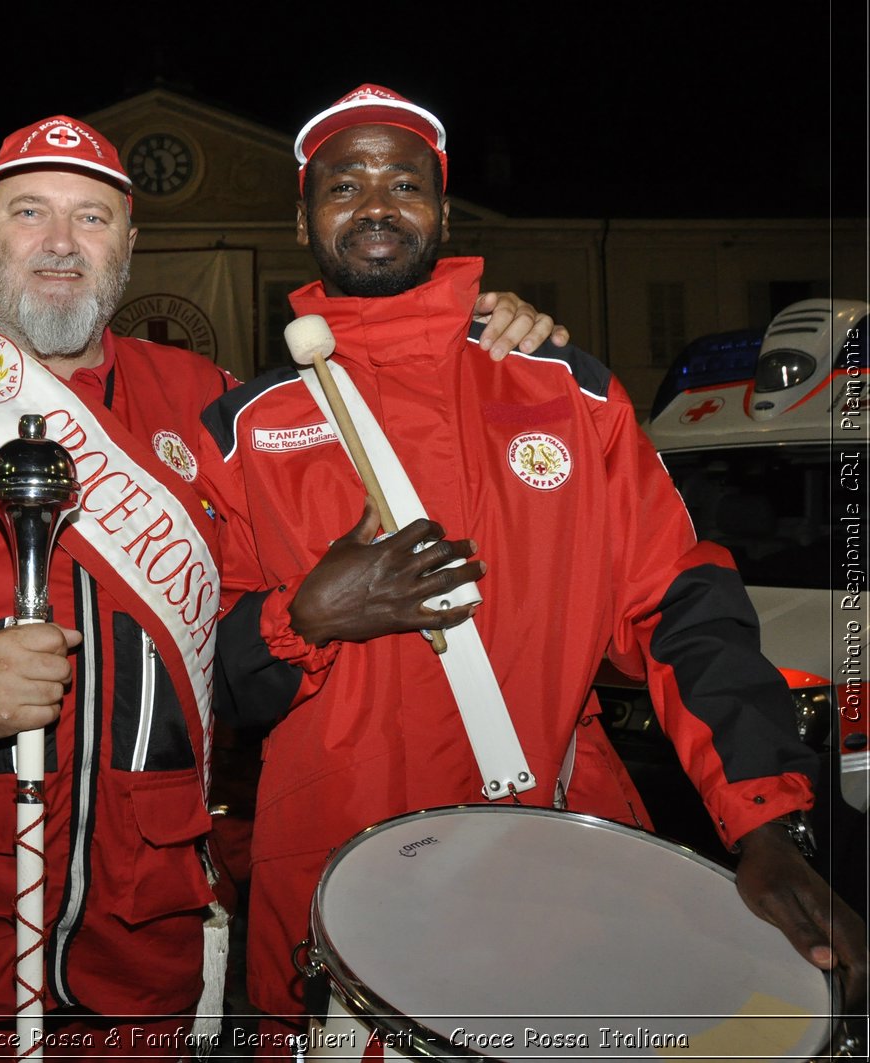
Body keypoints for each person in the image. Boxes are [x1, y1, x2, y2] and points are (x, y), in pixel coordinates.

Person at [0, 114, 564, 1056]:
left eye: (90, 219)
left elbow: (335, 490)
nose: (58, 243)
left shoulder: (205, 395)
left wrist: (477, 329)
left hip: (150, 904)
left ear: (129, 247)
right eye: (29, 212)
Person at [198, 84, 869, 1047]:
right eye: (344, 185)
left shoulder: (566, 387)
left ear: (442, 206)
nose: (376, 205)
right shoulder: (240, 431)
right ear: (301, 217)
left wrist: (766, 823)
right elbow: (204, 682)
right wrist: (297, 621)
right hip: (331, 889)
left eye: (405, 183)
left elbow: (680, 605)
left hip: (554, 873)